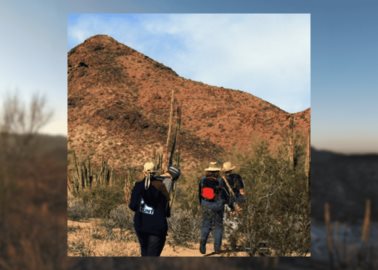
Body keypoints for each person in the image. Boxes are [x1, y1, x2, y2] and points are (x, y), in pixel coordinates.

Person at [129, 161, 180, 256]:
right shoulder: (162, 185)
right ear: (154, 172)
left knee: (144, 254)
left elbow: (132, 206)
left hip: (140, 225)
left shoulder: (138, 185)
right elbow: (166, 210)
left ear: (144, 172)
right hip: (157, 228)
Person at [198, 161, 231, 254]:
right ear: (217, 171)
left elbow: (199, 193)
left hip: (206, 205)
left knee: (206, 224)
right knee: (218, 226)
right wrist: (227, 203)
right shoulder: (221, 180)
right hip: (218, 206)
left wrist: (201, 203)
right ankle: (217, 248)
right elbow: (225, 194)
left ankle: (202, 243)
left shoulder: (203, 179)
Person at [221, 161, 246, 249]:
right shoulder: (237, 177)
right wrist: (242, 203)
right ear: (231, 169)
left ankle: (231, 242)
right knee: (236, 222)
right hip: (236, 201)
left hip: (226, 203)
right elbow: (242, 191)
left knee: (227, 222)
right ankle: (234, 241)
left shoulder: (221, 179)